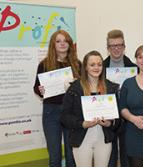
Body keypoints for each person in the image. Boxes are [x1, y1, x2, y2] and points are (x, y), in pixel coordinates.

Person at [60, 50, 120, 167]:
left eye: (99, 64)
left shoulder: (110, 87)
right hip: (81, 138)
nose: (96, 67)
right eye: (92, 65)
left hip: (104, 139)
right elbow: (64, 117)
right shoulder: (75, 88)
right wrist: (82, 124)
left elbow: (118, 119)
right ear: (86, 67)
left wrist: (109, 123)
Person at [33, 30, 80, 167]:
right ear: (53, 45)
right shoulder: (44, 64)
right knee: (55, 156)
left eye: (65, 41)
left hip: (71, 112)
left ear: (70, 44)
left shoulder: (77, 64)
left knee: (72, 156)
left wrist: (77, 85)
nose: (62, 44)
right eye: (58, 41)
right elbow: (36, 87)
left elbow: (85, 88)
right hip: (51, 112)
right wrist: (40, 90)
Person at [104, 29, 137, 167]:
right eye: (113, 46)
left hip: (128, 116)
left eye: (119, 45)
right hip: (108, 116)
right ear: (108, 48)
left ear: (124, 46)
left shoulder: (134, 68)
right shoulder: (100, 68)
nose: (116, 48)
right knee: (109, 156)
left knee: (127, 156)